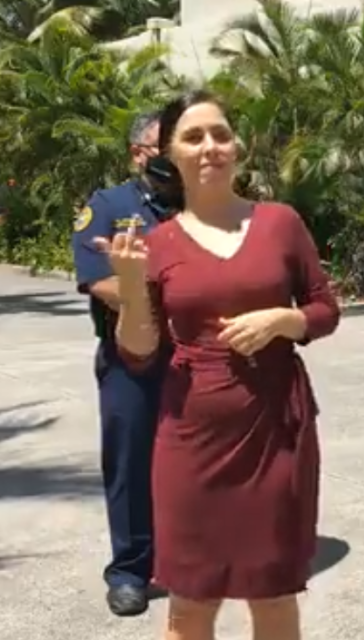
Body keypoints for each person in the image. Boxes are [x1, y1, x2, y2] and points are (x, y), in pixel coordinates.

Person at [93, 90, 340, 640]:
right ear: (170, 154)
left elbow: (325, 309)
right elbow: (137, 352)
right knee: (191, 603)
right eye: (194, 137)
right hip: (191, 437)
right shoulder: (156, 243)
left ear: (238, 147)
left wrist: (283, 320)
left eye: (221, 134)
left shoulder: (281, 223)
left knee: (274, 595)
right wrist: (133, 288)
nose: (210, 147)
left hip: (275, 429)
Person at [70, 111, 173, 617]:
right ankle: (131, 570)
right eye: (164, 145)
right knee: (131, 463)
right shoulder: (108, 206)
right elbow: (100, 282)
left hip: (196, 355)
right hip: (129, 358)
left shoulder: (201, 208)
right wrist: (160, 297)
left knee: (202, 459)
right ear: (138, 153)